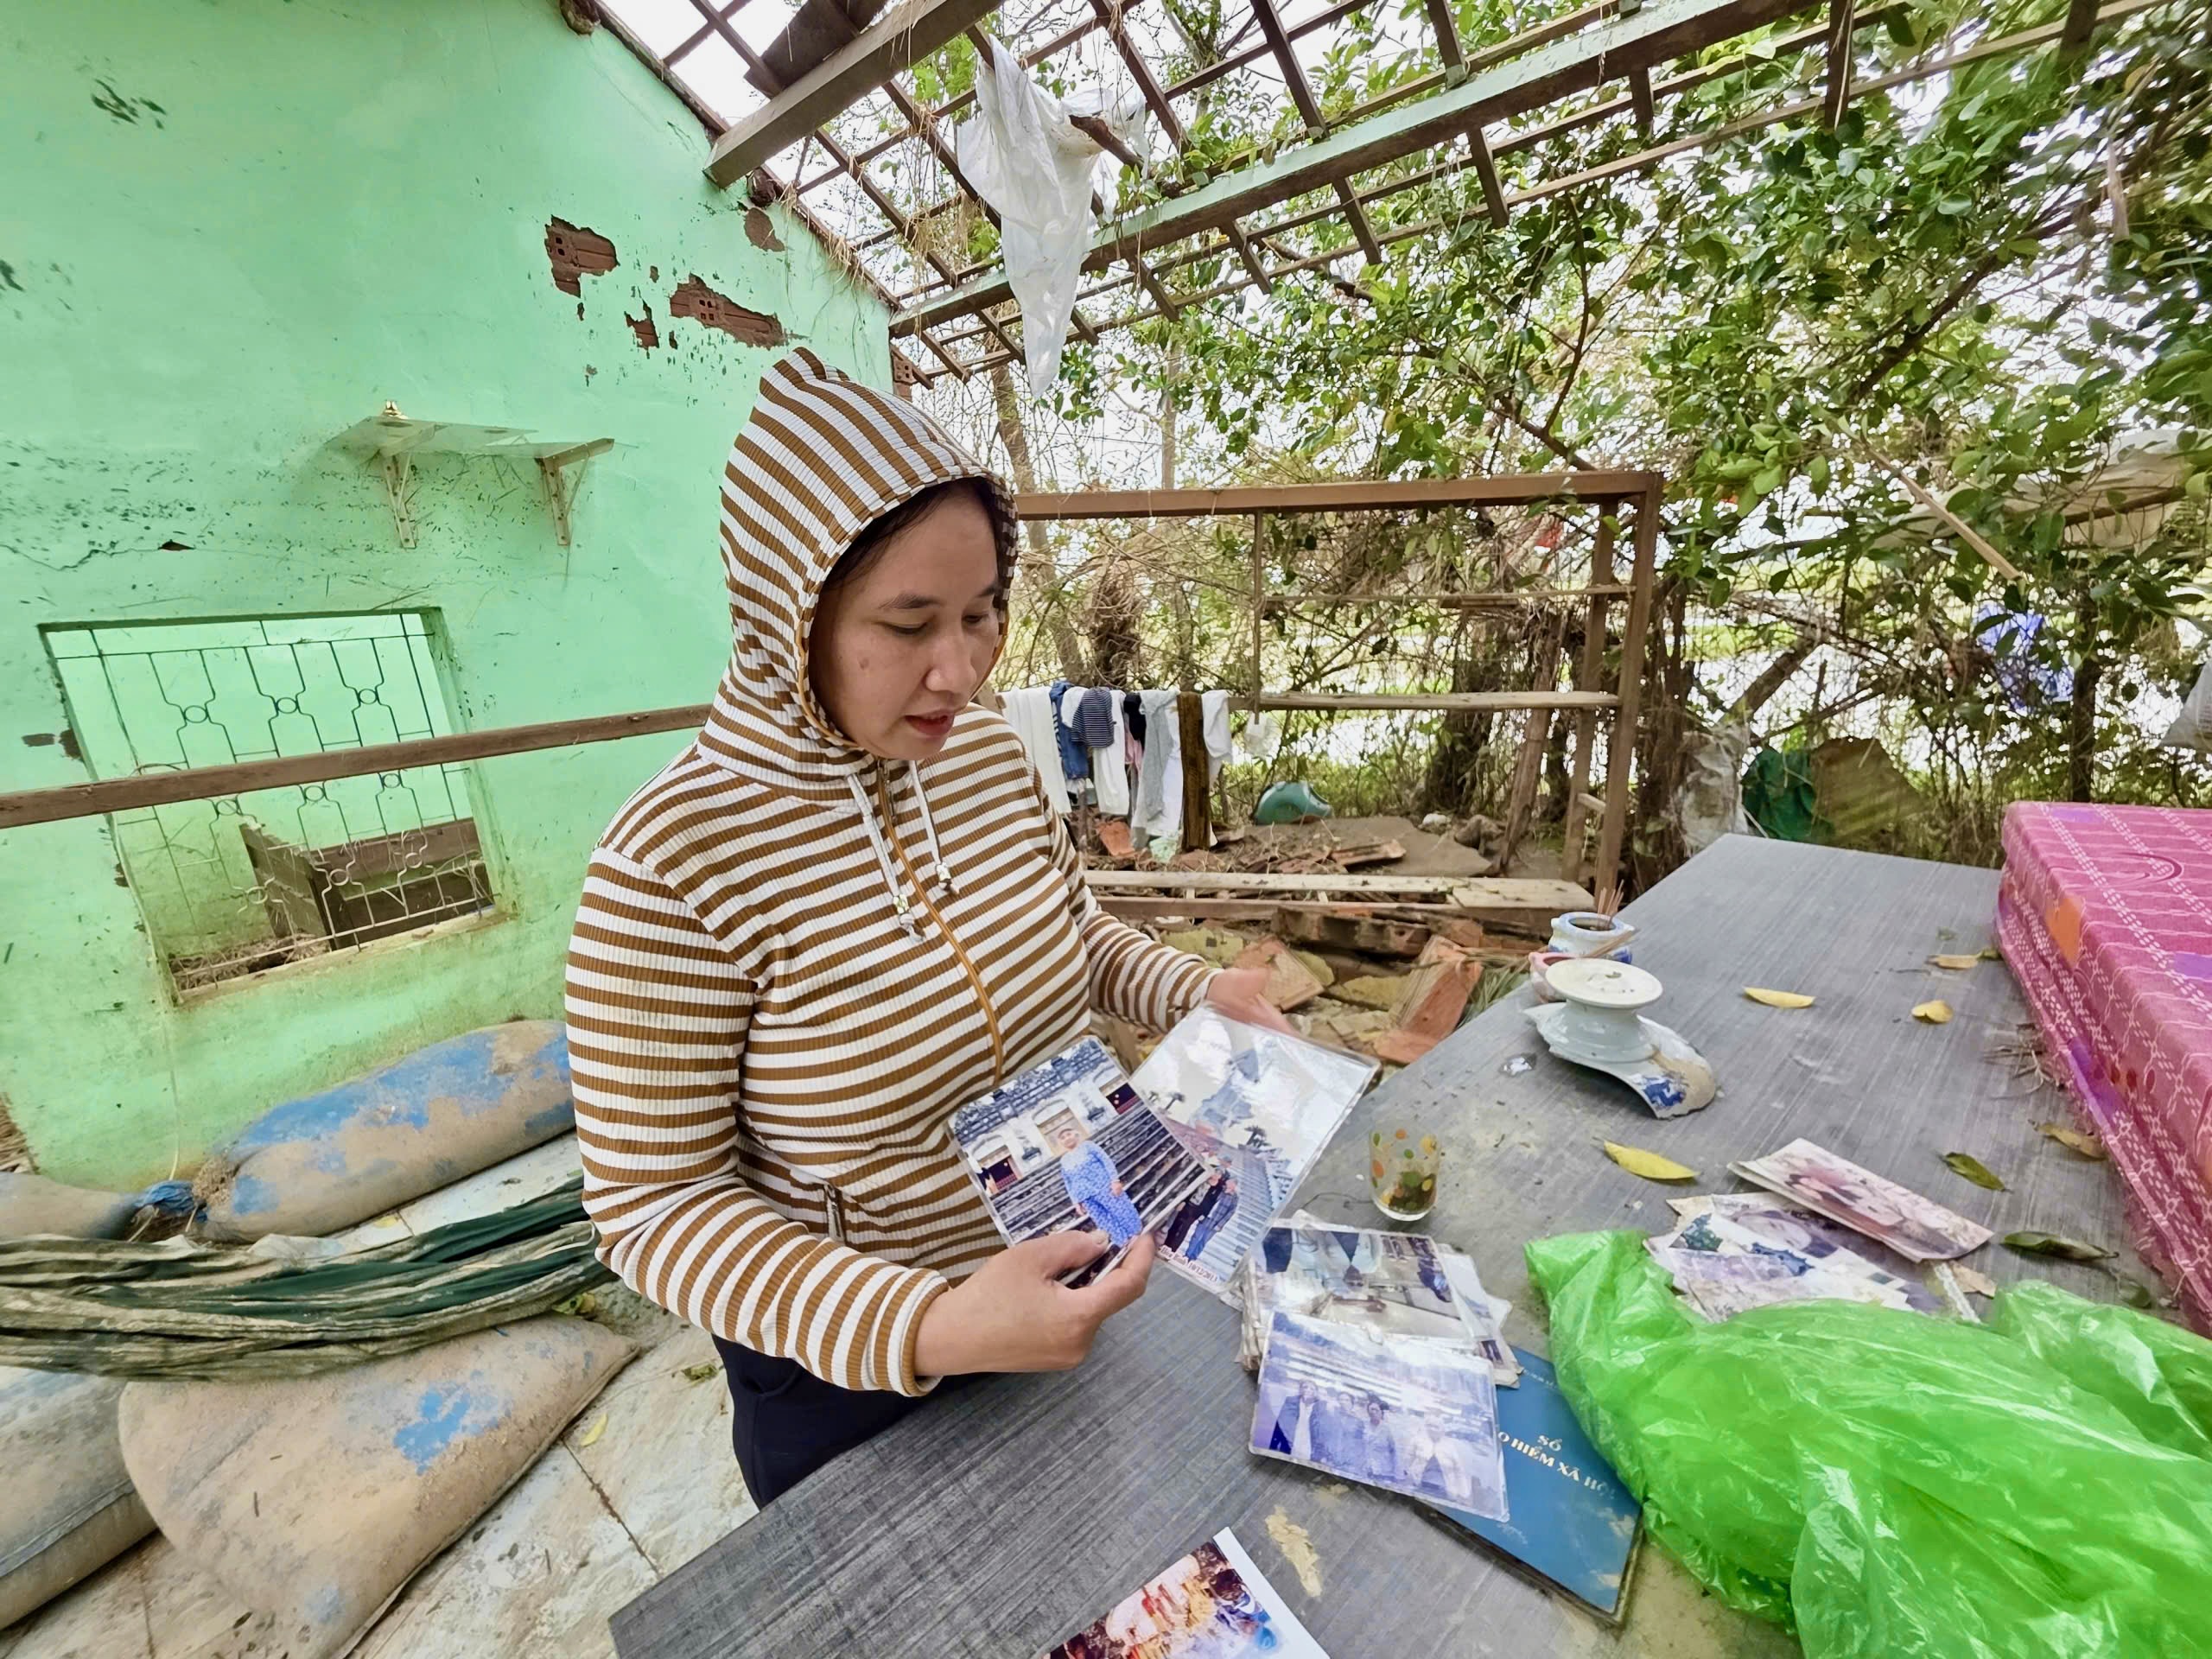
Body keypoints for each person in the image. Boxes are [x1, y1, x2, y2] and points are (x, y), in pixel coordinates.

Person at [565, 350, 1292, 1505]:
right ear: (786, 622)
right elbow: (657, 1210)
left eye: (981, 612)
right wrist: (933, 1324)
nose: (960, 668)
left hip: (1075, 1244)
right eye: (908, 625)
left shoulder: (988, 755)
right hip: (856, 1369)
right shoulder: (673, 864)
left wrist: (1190, 992)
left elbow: (1068, 928)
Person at [1058, 1124, 1141, 1248]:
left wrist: (1114, 1180)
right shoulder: (1064, 1160)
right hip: (1085, 1196)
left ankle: (1135, 1232)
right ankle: (1123, 1240)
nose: (1067, 1138)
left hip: (1103, 1186)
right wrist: (1076, 1202)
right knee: (1102, 1219)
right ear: (1060, 1142)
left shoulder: (1088, 1146)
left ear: (1075, 1134)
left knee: (1120, 1209)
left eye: (1068, 1134)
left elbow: (1106, 1161)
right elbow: (1068, 1183)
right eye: (1063, 1137)